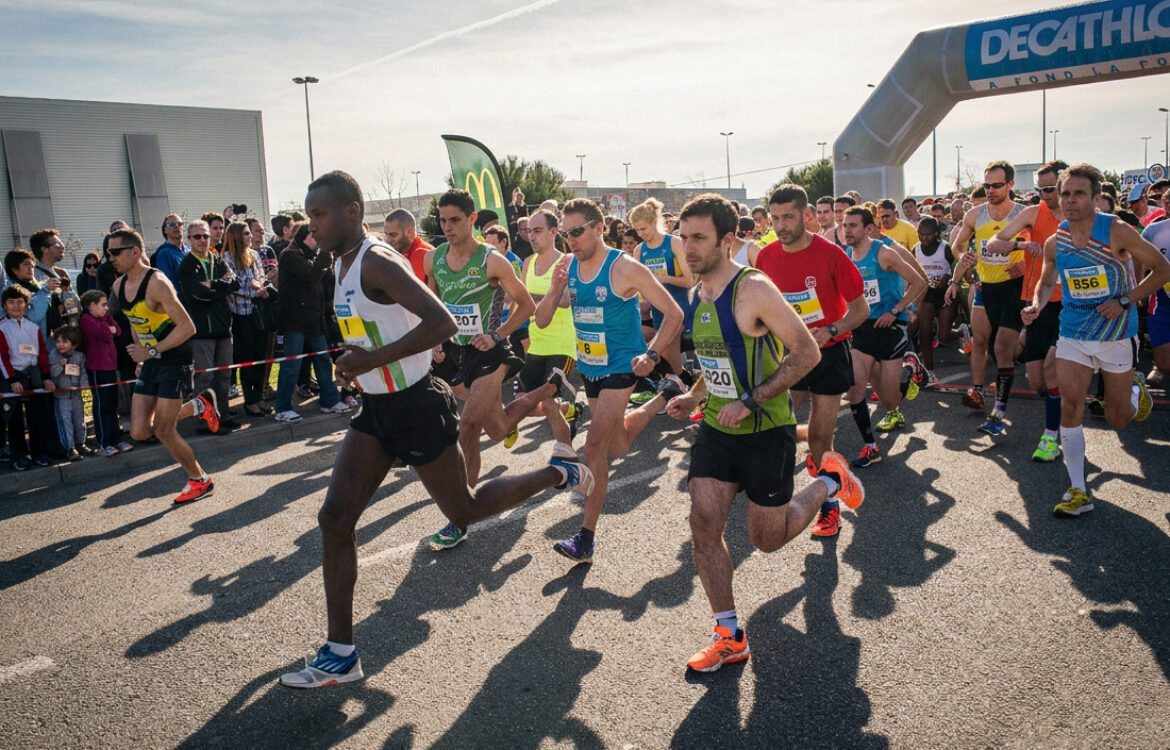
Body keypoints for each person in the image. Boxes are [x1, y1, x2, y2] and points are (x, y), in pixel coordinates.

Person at [280, 171, 593, 689]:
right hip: (376, 411)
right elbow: (374, 329)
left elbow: (442, 322)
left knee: (463, 509)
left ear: (352, 212)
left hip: (415, 406)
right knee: (334, 518)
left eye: (319, 215)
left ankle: (558, 472)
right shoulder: (341, 263)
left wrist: (372, 360)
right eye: (308, 215)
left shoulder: (377, 260)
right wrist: (353, 361)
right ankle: (341, 654)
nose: (311, 225)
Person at [661, 193, 864, 672]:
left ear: (728, 240)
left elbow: (807, 353)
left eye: (699, 238)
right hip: (717, 428)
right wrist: (696, 396)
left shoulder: (752, 289)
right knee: (703, 524)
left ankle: (829, 480)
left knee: (767, 539)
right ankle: (729, 635)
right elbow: (714, 358)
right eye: (684, 238)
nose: (688, 248)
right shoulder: (698, 292)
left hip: (766, 428)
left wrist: (750, 400)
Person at [533, 197, 686, 563]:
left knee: (593, 447)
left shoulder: (625, 267)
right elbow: (541, 320)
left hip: (622, 366)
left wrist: (652, 355)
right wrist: (554, 288)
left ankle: (585, 539)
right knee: (617, 444)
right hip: (590, 368)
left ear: (599, 228)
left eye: (577, 231)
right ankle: (663, 396)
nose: (571, 240)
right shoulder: (568, 267)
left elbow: (674, 313)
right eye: (566, 234)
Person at [1022, 163, 1169, 517]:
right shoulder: (1056, 241)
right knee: (1071, 406)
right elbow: (1046, 280)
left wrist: (1125, 301)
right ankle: (1078, 490)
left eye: (1079, 193)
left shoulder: (1115, 230)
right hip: (1073, 332)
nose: (1070, 200)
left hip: (1116, 334)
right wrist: (1037, 304)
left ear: (1095, 197)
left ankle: (1133, 393)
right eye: (1065, 194)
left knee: (1117, 418)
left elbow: (1163, 269)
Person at [423, 189, 565, 499]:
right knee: (498, 428)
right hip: (456, 352)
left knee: (468, 427)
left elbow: (527, 305)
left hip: (489, 352)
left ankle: (463, 507)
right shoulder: (433, 258)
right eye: (443, 220)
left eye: (455, 220)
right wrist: (435, 340)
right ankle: (547, 389)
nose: (447, 227)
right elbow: (433, 304)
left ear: (472, 219)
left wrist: (497, 335)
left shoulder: (493, 261)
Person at [748, 185, 869, 536]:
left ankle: (829, 506)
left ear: (807, 215)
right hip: (788, 354)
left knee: (820, 437)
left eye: (788, 217)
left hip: (829, 352)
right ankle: (775, 491)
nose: (780, 225)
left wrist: (831, 329)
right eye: (775, 218)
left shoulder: (831, 254)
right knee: (774, 425)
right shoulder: (766, 257)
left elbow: (860, 310)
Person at [107, 228, 220, 504]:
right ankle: (199, 405)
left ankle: (199, 480)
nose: (111, 258)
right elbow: (135, 321)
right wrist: (140, 355)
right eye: (108, 253)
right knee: (139, 431)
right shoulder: (118, 286)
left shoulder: (157, 283)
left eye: (116, 252)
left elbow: (188, 327)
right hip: (151, 359)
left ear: (135, 251)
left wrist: (151, 350)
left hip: (174, 358)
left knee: (163, 430)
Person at [985, 160, 1068, 462]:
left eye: (1051, 188)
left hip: (1071, 304)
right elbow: (994, 243)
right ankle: (1061, 408)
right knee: (1037, 380)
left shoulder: (1083, 218)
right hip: (1038, 302)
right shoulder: (1033, 213)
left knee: (1051, 368)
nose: (1045, 194)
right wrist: (1021, 246)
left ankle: (1051, 436)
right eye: (1040, 189)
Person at [945, 161, 1029, 436]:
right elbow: (956, 246)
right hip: (985, 287)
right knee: (980, 341)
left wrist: (1026, 263)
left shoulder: (1023, 214)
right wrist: (964, 257)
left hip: (1014, 287)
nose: (990, 190)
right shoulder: (975, 214)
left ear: (1010, 185)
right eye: (987, 185)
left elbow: (1044, 248)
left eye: (996, 185)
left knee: (1003, 348)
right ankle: (978, 391)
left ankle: (999, 411)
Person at [842, 206, 928, 451]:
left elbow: (919, 282)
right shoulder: (846, 255)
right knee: (855, 390)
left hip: (890, 328)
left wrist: (896, 310)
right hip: (862, 329)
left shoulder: (884, 253)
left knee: (890, 400)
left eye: (853, 225)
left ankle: (909, 370)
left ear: (868, 228)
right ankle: (870, 445)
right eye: (845, 225)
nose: (847, 230)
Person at [274, 222, 349, 421]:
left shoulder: (310, 256)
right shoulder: (290, 255)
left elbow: (321, 278)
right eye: (313, 235)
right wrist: (327, 251)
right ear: (303, 236)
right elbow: (311, 274)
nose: (317, 239)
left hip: (314, 320)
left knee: (323, 360)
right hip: (294, 321)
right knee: (292, 364)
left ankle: (330, 400)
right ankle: (282, 408)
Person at [178, 220, 239, 432]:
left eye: (205, 236)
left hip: (223, 327)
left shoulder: (216, 259)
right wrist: (220, 287)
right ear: (189, 239)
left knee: (224, 375)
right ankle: (205, 420)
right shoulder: (187, 265)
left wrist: (212, 285)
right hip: (202, 330)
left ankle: (223, 414)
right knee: (205, 377)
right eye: (197, 236)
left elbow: (235, 283)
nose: (202, 240)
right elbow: (197, 294)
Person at [630, 197, 694, 375]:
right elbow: (639, 287)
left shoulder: (674, 243)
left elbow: (690, 281)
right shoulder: (639, 250)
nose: (640, 233)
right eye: (637, 230)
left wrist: (663, 278)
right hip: (658, 313)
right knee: (670, 365)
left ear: (654, 222)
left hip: (680, 308)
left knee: (666, 359)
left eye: (643, 228)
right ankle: (685, 383)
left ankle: (682, 383)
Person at [222, 222, 275, 418]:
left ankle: (259, 397)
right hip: (240, 316)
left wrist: (259, 286)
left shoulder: (254, 254)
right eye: (246, 233)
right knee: (247, 359)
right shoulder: (226, 258)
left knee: (261, 356)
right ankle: (250, 401)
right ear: (236, 236)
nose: (250, 236)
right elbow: (233, 286)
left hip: (257, 312)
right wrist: (254, 289)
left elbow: (260, 278)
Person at [0, 285, 56, 470]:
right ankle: (19, 456)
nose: (16, 306)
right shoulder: (2, 327)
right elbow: (2, 357)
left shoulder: (33, 327)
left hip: (33, 374)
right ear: (5, 305)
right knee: (15, 419)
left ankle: (40, 453)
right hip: (13, 377)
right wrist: (12, 380)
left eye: (20, 302)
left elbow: (42, 354)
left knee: (38, 417)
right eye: (11, 302)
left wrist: (46, 376)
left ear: (26, 304)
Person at [79, 289, 132, 455]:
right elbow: (105, 334)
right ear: (91, 306)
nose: (106, 308)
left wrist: (108, 323)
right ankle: (103, 442)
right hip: (97, 367)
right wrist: (108, 326)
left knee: (113, 405)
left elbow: (118, 330)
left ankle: (116, 438)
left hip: (110, 366)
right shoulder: (86, 320)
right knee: (102, 406)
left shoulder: (104, 317)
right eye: (103, 305)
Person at [910, 216, 956, 384]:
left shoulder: (946, 249)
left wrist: (948, 278)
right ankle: (929, 372)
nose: (924, 238)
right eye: (921, 234)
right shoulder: (916, 250)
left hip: (946, 293)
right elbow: (911, 271)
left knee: (944, 337)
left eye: (928, 234)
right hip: (927, 293)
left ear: (936, 233)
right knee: (925, 332)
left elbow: (957, 267)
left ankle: (960, 331)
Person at [1141, 188, 1170, 382]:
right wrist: (1139, 290)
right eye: (1166, 200)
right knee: (1165, 363)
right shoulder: (1153, 230)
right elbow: (1138, 262)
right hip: (1161, 301)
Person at [50, 323, 89, 461]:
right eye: (58, 341)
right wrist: (60, 366)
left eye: (64, 341)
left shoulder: (79, 356)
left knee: (79, 421)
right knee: (66, 422)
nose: (60, 344)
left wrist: (84, 385)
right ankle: (70, 448)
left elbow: (83, 372)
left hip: (76, 395)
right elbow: (52, 373)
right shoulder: (54, 354)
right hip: (62, 397)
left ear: (74, 344)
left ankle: (81, 443)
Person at [382, 209, 431, 283]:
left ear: (409, 232)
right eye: (386, 235)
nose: (387, 240)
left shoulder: (423, 255)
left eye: (393, 235)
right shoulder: (399, 254)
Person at [152, 214, 187, 287]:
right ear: (165, 230)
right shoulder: (164, 254)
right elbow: (167, 285)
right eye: (171, 224)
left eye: (179, 224)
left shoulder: (190, 250)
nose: (176, 226)